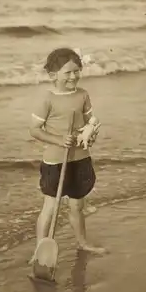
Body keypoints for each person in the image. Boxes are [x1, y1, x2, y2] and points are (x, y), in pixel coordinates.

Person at [29, 47, 106, 261]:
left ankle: (82, 243)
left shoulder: (82, 95)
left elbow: (91, 121)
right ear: (53, 75)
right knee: (50, 207)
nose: (74, 76)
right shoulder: (47, 99)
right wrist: (58, 140)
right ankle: (39, 251)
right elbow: (34, 130)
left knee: (77, 205)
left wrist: (90, 134)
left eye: (77, 71)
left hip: (80, 159)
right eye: (68, 72)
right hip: (56, 160)